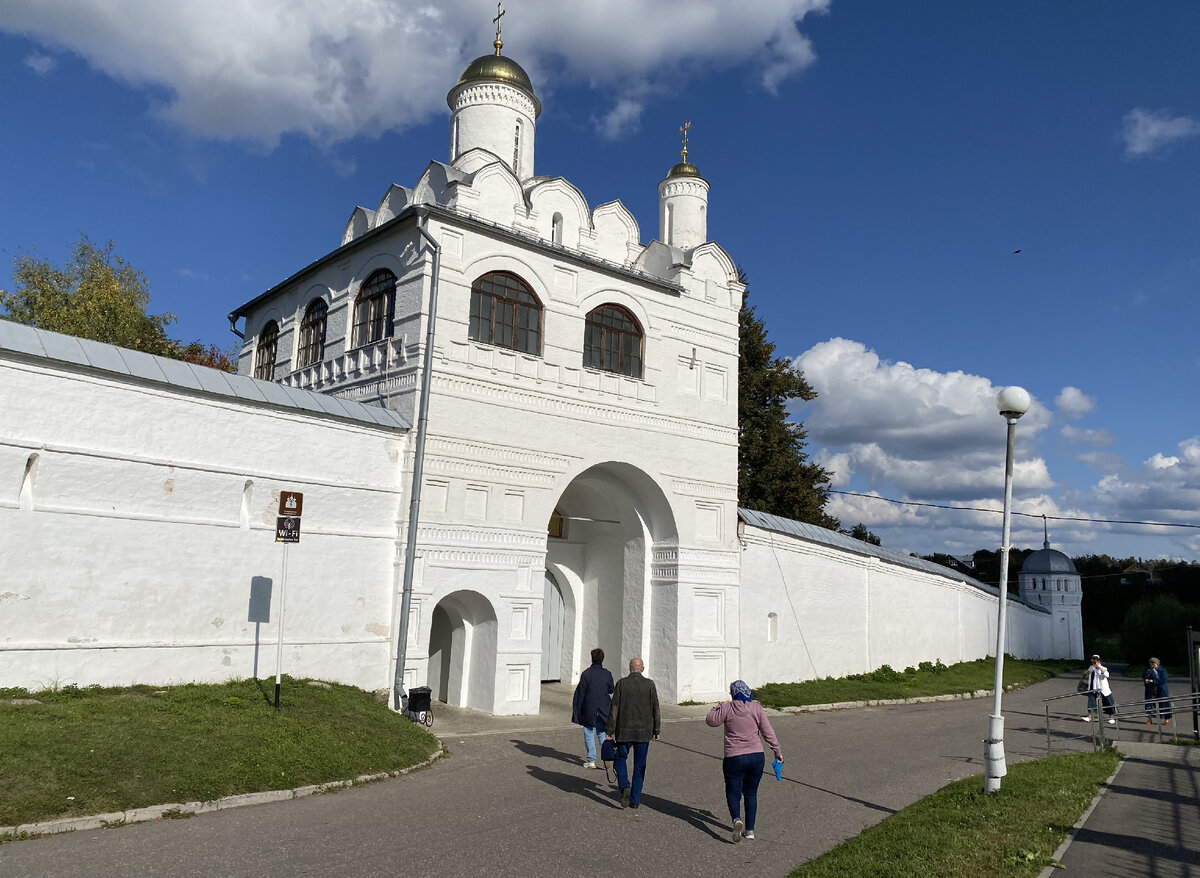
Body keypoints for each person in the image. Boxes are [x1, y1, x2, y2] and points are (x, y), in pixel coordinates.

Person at [706, 680, 783, 843]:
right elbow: (768, 732)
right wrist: (777, 751)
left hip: (734, 757)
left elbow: (711, 721)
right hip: (756, 756)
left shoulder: (727, 708)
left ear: (733, 693)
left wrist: (717, 706)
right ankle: (750, 831)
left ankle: (736, 819)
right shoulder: (756, 707)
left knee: (733, 791)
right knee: (751, 793)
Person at [606, 657, 660, 809]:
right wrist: (656, 730)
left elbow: (614, 708)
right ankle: (635, 800)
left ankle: (624, 785)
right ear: (642, 669)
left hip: (624, 731)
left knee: (620, 759)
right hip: (644, 732)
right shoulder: (650, 684)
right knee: (639, 765)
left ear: (629, 668)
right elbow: (655, 707)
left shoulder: (622, 683)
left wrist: (610, 730)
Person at [571, 647, 614, 768]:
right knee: (602, 733)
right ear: (602, 659)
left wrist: (578, 711)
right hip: (604, 709)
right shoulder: (607, 674)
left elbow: (581, 694)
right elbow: (611, 689)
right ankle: (607, 759)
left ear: (592, 658)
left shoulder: (586, 674)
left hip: (589, 708)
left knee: (589, 733)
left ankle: (591, 760)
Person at [1082, 654, 1115, 724]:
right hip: (1093, 688)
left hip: (1103, 689)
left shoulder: (1103, 668)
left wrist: (1099, 668)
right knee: (1091, 702)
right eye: (1092, 662)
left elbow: (1107, 675)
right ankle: (1089, 717)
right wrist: (1086, 673)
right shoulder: (1091, 667)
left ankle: (1111, 717)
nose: (1093, 663)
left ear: (1098, 661)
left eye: (1095, 662)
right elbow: (1086, 675)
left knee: (1108, 701)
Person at [1150, 657, 1173, 725]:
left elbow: (1163, 680)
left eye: (1153, 664)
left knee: (1164, 703)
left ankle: (1167, 719)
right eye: (1151, 664)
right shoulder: (1150, 670)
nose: (1152, 666)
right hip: (1154, 689)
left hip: (1162, 689)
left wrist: (1154, 681)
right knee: (1153, 703)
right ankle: (1151, 718)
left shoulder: (1162, 670)